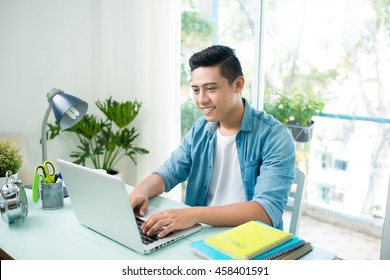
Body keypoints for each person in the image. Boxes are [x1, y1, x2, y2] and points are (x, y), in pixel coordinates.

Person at [129, 45, 295, 238]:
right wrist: (141, 190)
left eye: (210, 89)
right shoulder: (200, 129)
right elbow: (169, 173)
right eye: (196, 90)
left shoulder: (274, 136)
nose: (201, 100)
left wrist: (193, 214)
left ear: (238, 84)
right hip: (201, 233)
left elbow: (266, 211)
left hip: (250, 241)